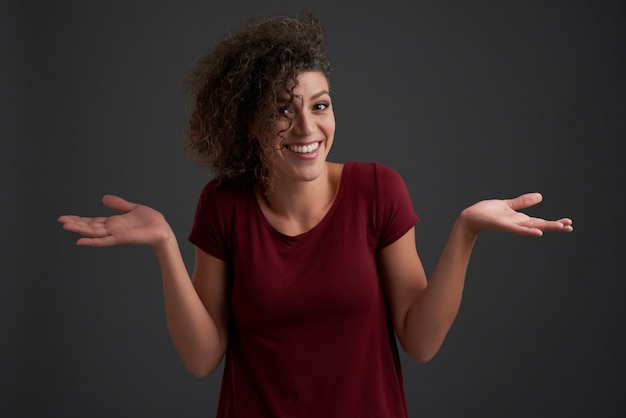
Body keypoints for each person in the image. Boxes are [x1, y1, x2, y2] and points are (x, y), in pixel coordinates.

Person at [57, 11, 573, 417]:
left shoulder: (378, 190)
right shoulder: (223, 205)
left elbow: (419, 340)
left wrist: (466, 232)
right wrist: (166, 246)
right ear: (251, 123)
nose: (306, 127)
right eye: (283, 109)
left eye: (319, 105)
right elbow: (201, 358)